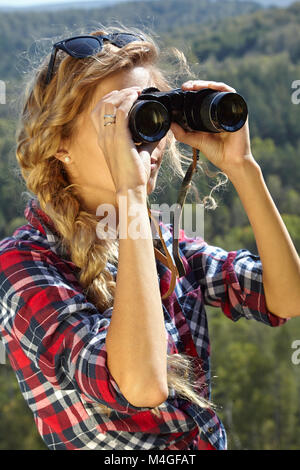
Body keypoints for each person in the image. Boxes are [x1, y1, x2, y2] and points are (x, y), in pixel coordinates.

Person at [0, 25, 299, 451]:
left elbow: (286, 297)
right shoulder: (22, 266)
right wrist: (132, 199)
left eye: (153, 115)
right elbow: (141, 383)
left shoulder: (162, 241)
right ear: (59, 142)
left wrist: (243, 167)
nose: (149, 141)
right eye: (122, 121)